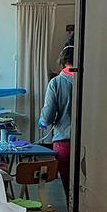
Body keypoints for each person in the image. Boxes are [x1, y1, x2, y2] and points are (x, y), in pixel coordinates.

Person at [38, 42, 74, 199]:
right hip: (90, 143)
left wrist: (43, 121)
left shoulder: (57, 83)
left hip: (64, 142)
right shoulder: (92, 82)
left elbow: (47, 116)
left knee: (69, 188)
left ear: (62, 61)